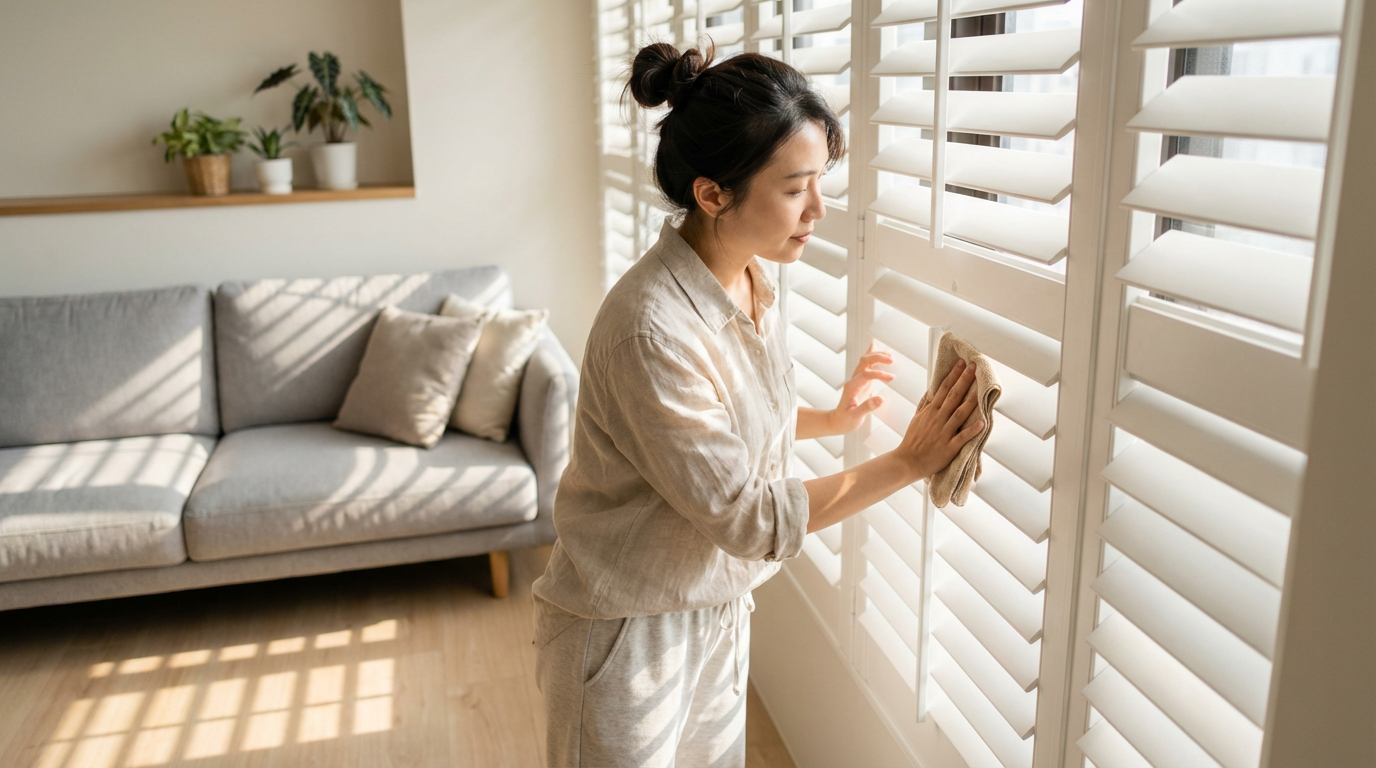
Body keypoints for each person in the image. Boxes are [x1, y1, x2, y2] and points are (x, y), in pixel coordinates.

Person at [531, 41, 984, 768]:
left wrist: (830, 420)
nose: (820, 210)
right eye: (796, 187)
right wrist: (910, 461)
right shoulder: (651, 329)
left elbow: (713, 435)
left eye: (821, 181)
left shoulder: (748, 284)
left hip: (714, 609)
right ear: (712, 195)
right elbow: (749, 517)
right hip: (626, 633)